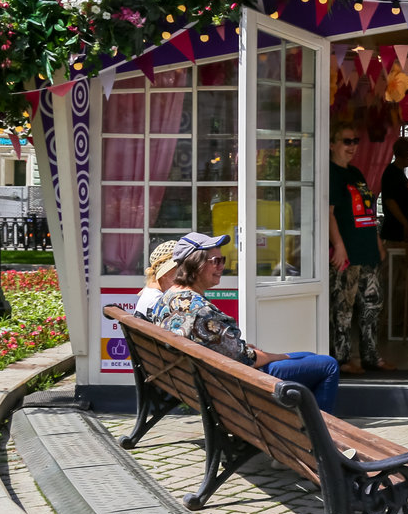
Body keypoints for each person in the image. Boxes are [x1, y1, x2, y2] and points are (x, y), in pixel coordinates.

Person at [152, 233, 340, 413]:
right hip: (231, 384)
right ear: (195, 264)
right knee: (327, 365)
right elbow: (245, 358)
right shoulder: (199, 310)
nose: (221, 267)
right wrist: (279, 356)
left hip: (202, 381)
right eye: (215, 261)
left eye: (222, 260)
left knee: (306, 356)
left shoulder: (167, 298)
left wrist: (242, 348)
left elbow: (226, 348)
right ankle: (319, 436)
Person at [328, 124, 387, 374]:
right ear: (332, 144)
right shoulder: (330, 173)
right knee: (343, 307)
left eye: (355, 141)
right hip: (347, 252)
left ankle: (371, 356)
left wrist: (377, 242)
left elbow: (368, 212)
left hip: (367, 248)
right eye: (346, 141)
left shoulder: (357, 174)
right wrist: (339, 245)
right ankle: (341, 360)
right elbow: (328, 214)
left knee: (372, 305)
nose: (352, 146)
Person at [379, 137, 408, 244]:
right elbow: (390, 200)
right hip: (395, 230)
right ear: (404, 155)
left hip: (401, 229)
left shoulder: (399, 173)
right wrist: (405, 223)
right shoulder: (392, 173)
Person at [134, 240, 178, 319]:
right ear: (165, 273)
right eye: (178, 268)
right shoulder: (158, 302)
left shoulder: (150, 291)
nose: (185, 274)